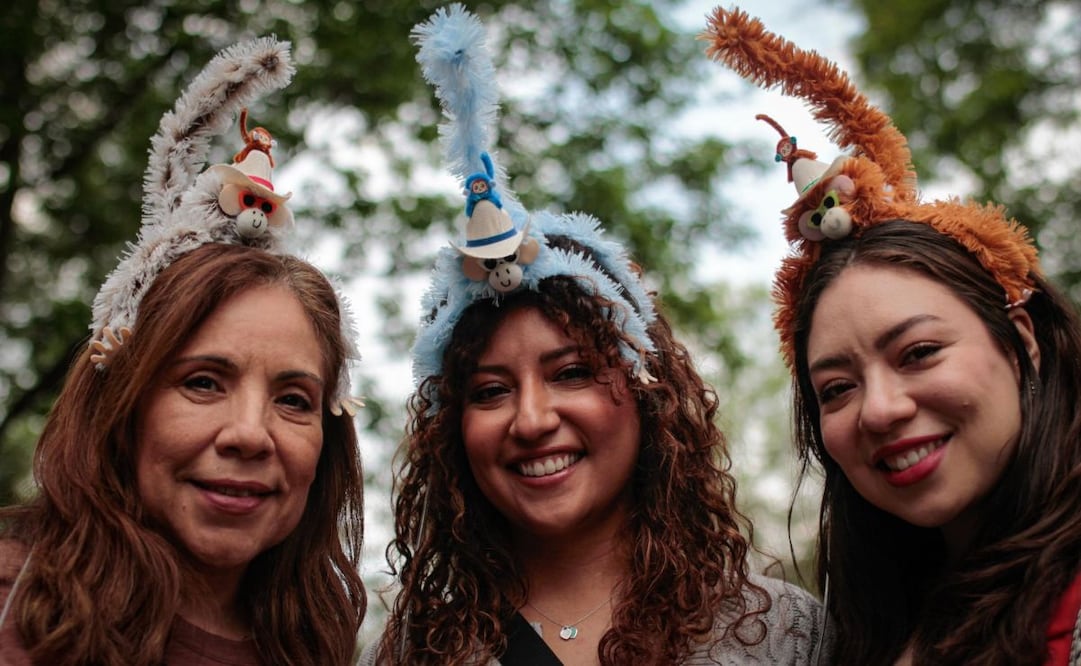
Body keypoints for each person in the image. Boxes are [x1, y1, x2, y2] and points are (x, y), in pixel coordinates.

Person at [360, 6, 832, 665]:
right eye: (490, 390)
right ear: (450, 430)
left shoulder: (782, 634)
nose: (530, 419)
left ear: (646, 391)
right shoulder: (420, 649)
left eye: (571, 373)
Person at [705, 7, 1081, 665]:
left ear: (1021, 339)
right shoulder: (857, 629)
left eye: (918, 353)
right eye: (835, 388)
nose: (879, 409)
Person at [0, 38, 366, 665]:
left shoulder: (317, 647)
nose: (250, 434)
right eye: (202, 382)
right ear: (123, 403)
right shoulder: (14, 599)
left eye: (294, 398)